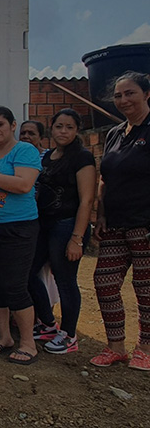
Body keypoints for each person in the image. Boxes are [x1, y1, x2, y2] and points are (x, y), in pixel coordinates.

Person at [90, 71, 150, 370]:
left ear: (146, 94)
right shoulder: (115, 133)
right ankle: (116, 346)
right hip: (114, 223)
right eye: (118, 95)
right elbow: (105, 180)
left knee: (146, 287)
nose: (123, 100)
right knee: (105, 282)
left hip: (145, 223)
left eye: (130, 93)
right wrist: (100, 214)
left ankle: (146, 347)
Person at [0, 106, 41, 365]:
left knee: (15, 285)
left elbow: (24, 185)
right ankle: (4, 337)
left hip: (18, 227)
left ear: (13, 125)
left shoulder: (24, 150)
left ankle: (28, 343)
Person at [26, 109, 95, 354]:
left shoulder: (82, 158)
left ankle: (69, 335)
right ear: (51, 129)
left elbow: (86, 201)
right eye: (59, 127)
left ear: (77, 130)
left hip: (67, 225)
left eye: (69, 127)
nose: (63, 132)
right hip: (45, 225)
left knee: (65, 280)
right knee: (28, 272)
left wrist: (76, 238)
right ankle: (47, 323)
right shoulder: (47, 157)